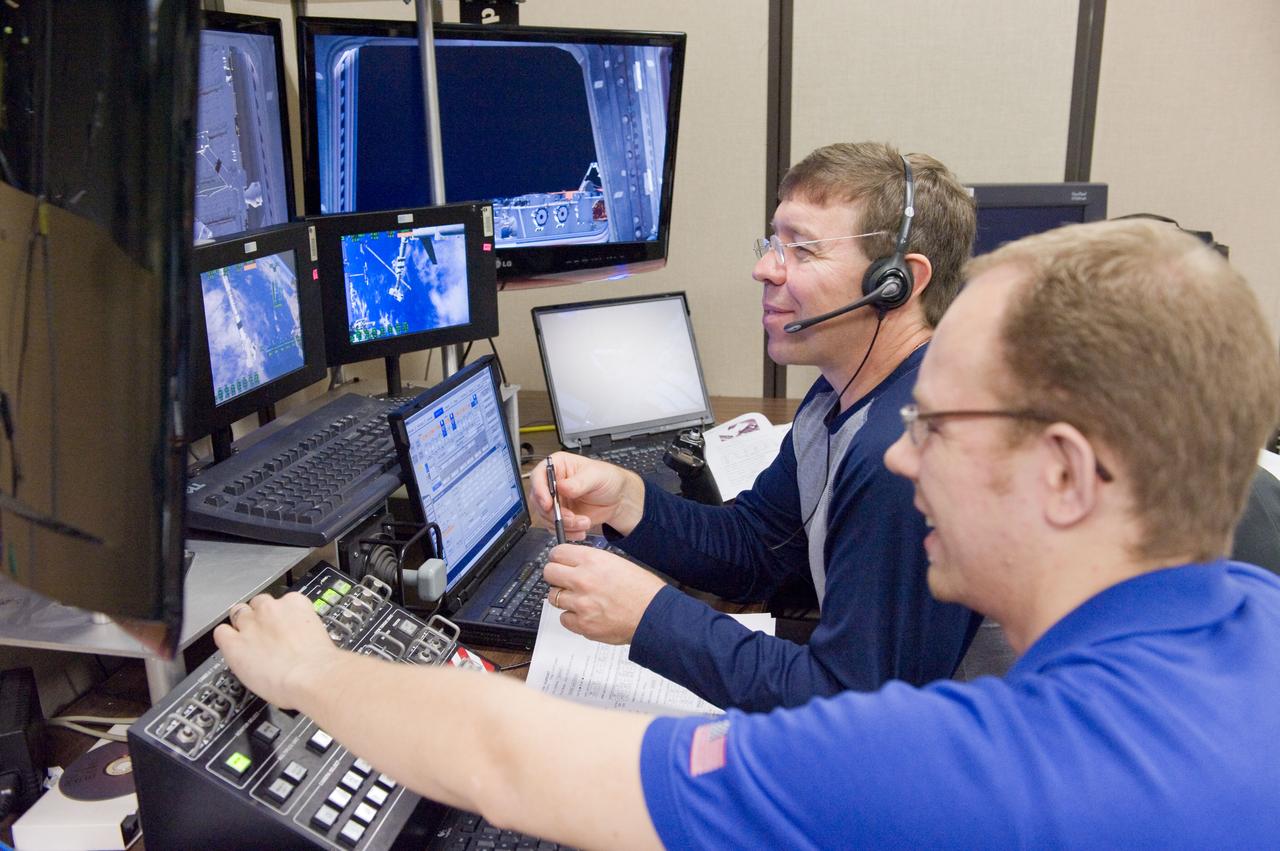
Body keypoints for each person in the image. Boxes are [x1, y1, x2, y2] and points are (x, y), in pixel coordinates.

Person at [216, 220, 1280, 847]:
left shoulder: (977, 768)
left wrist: (315, 669)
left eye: (936, 426)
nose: (902, 459)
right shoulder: (1257, 617)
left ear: (1064, 473)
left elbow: (509, 756)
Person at [528, 142, 982, 712]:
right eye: (773, 243)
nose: (765, 268)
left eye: (804, 250)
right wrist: (626, 502)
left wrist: (649, 618)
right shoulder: (839, 395)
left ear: (896, 282)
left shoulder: (905, 451)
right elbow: (760, 546)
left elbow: (853, 708)